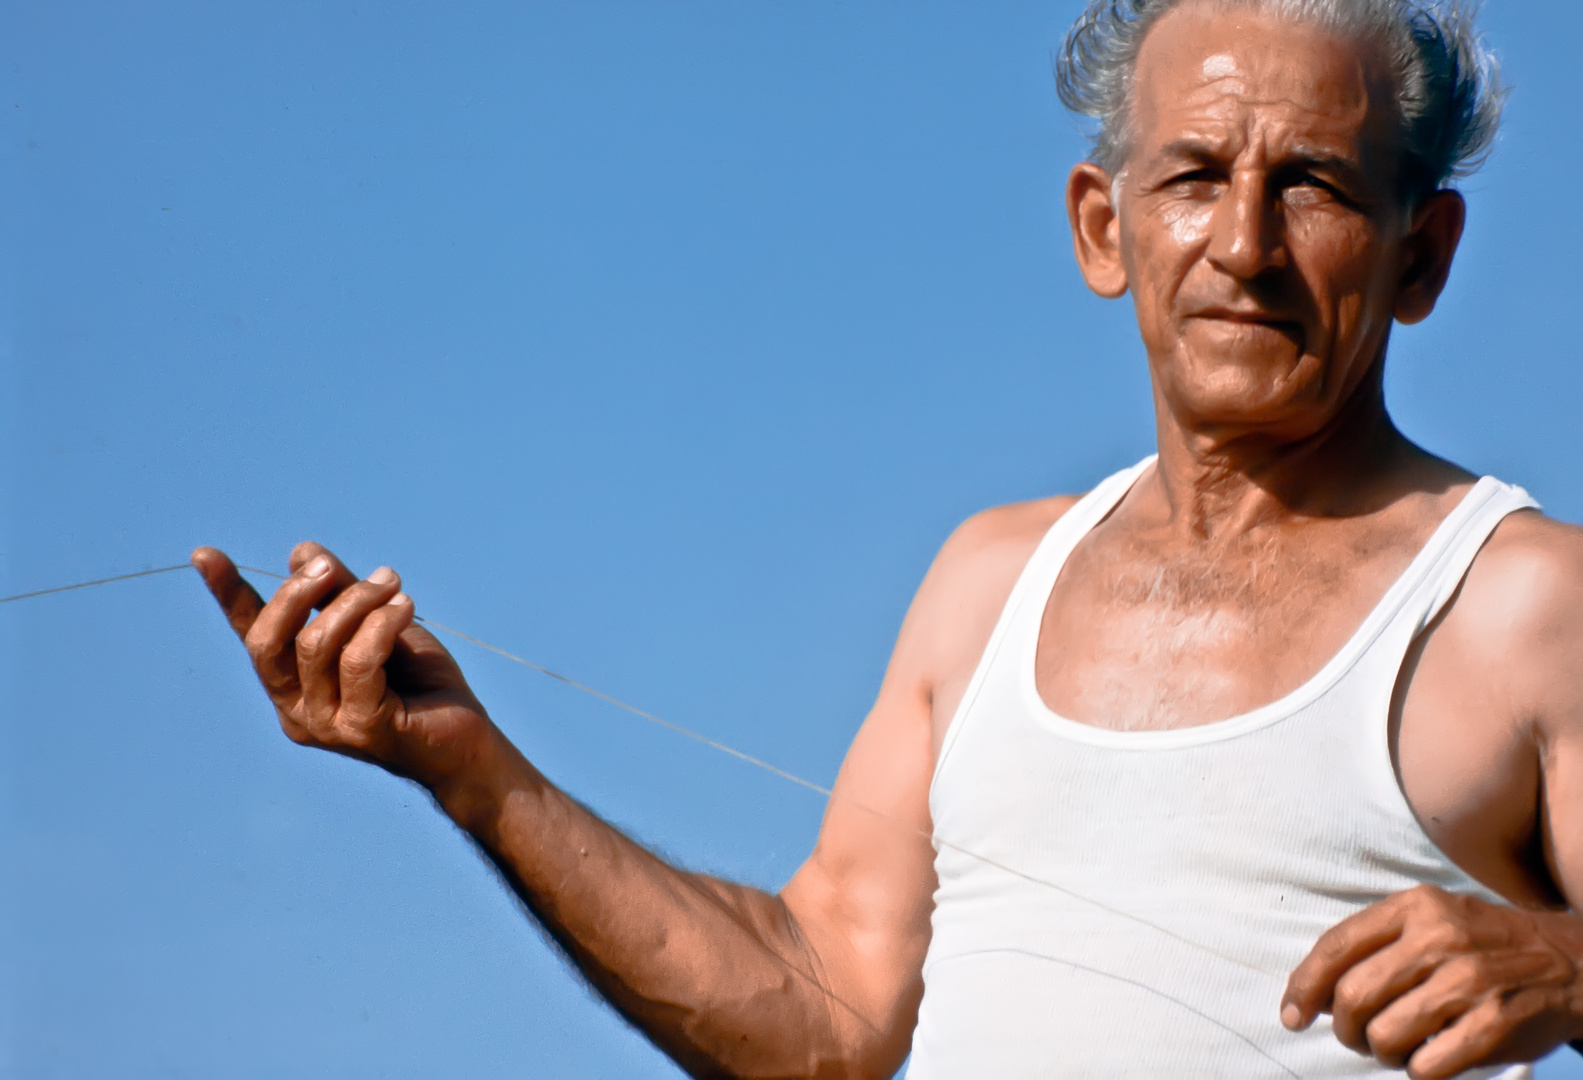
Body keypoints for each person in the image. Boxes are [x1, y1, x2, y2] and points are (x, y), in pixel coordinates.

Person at [193, 0, 1583, 1076]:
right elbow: (829, 1015)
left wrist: (1570, 973)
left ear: (1423, 253)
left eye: (1318, 185)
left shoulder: (1525, 604)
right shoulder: (987, 585)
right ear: (1105, 230)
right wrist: (472, 772)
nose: (1244, 243)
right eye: (1193, 176)